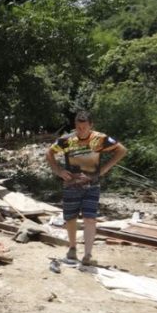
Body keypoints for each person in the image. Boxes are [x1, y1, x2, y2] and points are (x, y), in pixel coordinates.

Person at [46, 111, 127, 265]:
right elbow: (49, 153)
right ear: (74, 126)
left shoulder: (100, 138)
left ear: (91, 125)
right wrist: (59, 171)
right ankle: (72, 248)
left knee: (90, 218)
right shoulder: (67, 140)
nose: (81, 130)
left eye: (84, 127)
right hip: (71, 184)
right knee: (71, 218)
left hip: (92, 184)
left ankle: (88, 255)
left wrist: (103, 170)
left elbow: (121, 150)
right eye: (78, 127)